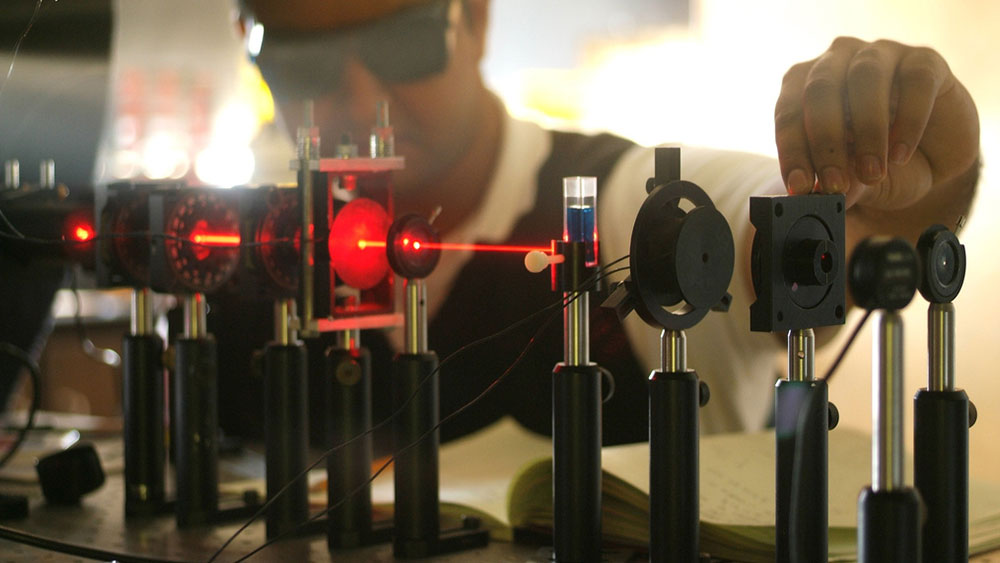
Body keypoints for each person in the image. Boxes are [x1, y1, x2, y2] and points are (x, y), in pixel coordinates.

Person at [228, 0, 980, 448]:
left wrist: (908, 176)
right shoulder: (237, 253)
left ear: (478, 19)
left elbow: (839, 242)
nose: (360, 97)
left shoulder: (625, 206)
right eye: (303, 61)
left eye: (403, 39)